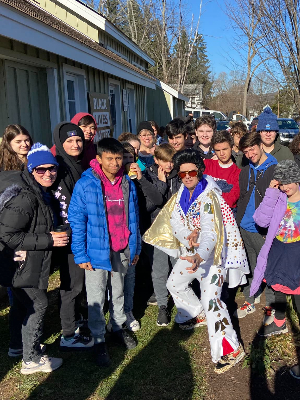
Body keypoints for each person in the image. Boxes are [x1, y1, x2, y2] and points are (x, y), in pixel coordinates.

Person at [144, 149, 248, 373]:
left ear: (199, 171)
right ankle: (195, 313)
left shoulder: (209, 197)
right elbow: (175, 220)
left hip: (213, 256)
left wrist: (200, 253)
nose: (187, 176)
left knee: (212, 301)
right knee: (175, 283)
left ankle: (231, 350)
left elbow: (211, 233)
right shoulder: (182, 192)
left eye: (191, 172)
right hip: (194, 253)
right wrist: (187, 237)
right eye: (182, 174)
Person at [68, 138, 141, 367]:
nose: (115, 163)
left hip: (121, 247)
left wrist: (135, 245)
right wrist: (80, 254)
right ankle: (99, 337)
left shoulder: (126, 183)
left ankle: (117, 326)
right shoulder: (86, 184)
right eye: (110, 158)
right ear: (98, 159)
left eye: (119, 158)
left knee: (118, 291)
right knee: (96, 295)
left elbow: (134, 217)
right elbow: (77, 221)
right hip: (96, 251)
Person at [0, 143, 68, 374]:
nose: (48, 173)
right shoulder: (26, 198)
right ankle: (31, 359)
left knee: (21, 305)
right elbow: (7, 235)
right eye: (41, 169)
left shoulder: (39, 192)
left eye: (52, 169)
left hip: (25, 264)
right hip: (20, 264)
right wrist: (49, 240)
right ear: (31, 171)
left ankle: (19, 347)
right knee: (37, 304)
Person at [249, 160, 300, 378]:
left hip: (297, 252)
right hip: (279, 249)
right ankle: (279, 321)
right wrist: (271, 192)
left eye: (289, 181)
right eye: (281, 182)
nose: (285, 186)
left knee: (298, 297)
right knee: (278, 286)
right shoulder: (278, 197)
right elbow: (260, 220)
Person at [51, 122, 94, 351]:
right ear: (60, 144)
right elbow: (67, 206)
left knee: (82, 282)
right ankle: (68, 334)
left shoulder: (79, 165)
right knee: (71, 285)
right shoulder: (60, 168)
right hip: (70, 236)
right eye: (69, 141)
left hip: (84, 232)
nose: (76, 144)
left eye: (78, 140)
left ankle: (81, 318)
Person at [136, 143, 181, 325]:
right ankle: (163, 306)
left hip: (178, 229)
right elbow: (148, 205)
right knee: (160, 269)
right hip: (157, 229)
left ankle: (182, 301)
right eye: (164, 161)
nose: (169, 165)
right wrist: (161, 186)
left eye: (171, 161)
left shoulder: (179, 175)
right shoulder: (147, 176)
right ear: (156, 159)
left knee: (178, 266)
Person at [235, 131, 277, 319]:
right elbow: (243, 197)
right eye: (246, 152)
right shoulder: (246, 170)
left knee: (268, 267)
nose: (250, 155)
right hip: (245, 226)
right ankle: (251, 299)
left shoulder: (275, 168)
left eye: (252, 149)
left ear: (260, 145)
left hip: (264, 229)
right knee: (251, 265)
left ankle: (271, 305)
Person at [0, 124, 33, 357]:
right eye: (18, 142)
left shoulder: (33, 163)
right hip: (12, 236)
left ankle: (29, 334)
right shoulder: (5, 170)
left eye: (26, 140)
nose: (24, 145)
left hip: (30, 232)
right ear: (9, 145)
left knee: (29, 291)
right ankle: (16, 343)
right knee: (17, 293)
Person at [204, 130, 240, 212]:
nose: (222, 153)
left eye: (225, 149)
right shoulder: (206, 164)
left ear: (232, 147)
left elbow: (230, 200)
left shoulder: (238, 173)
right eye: (217, 150)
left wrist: (207, 196)